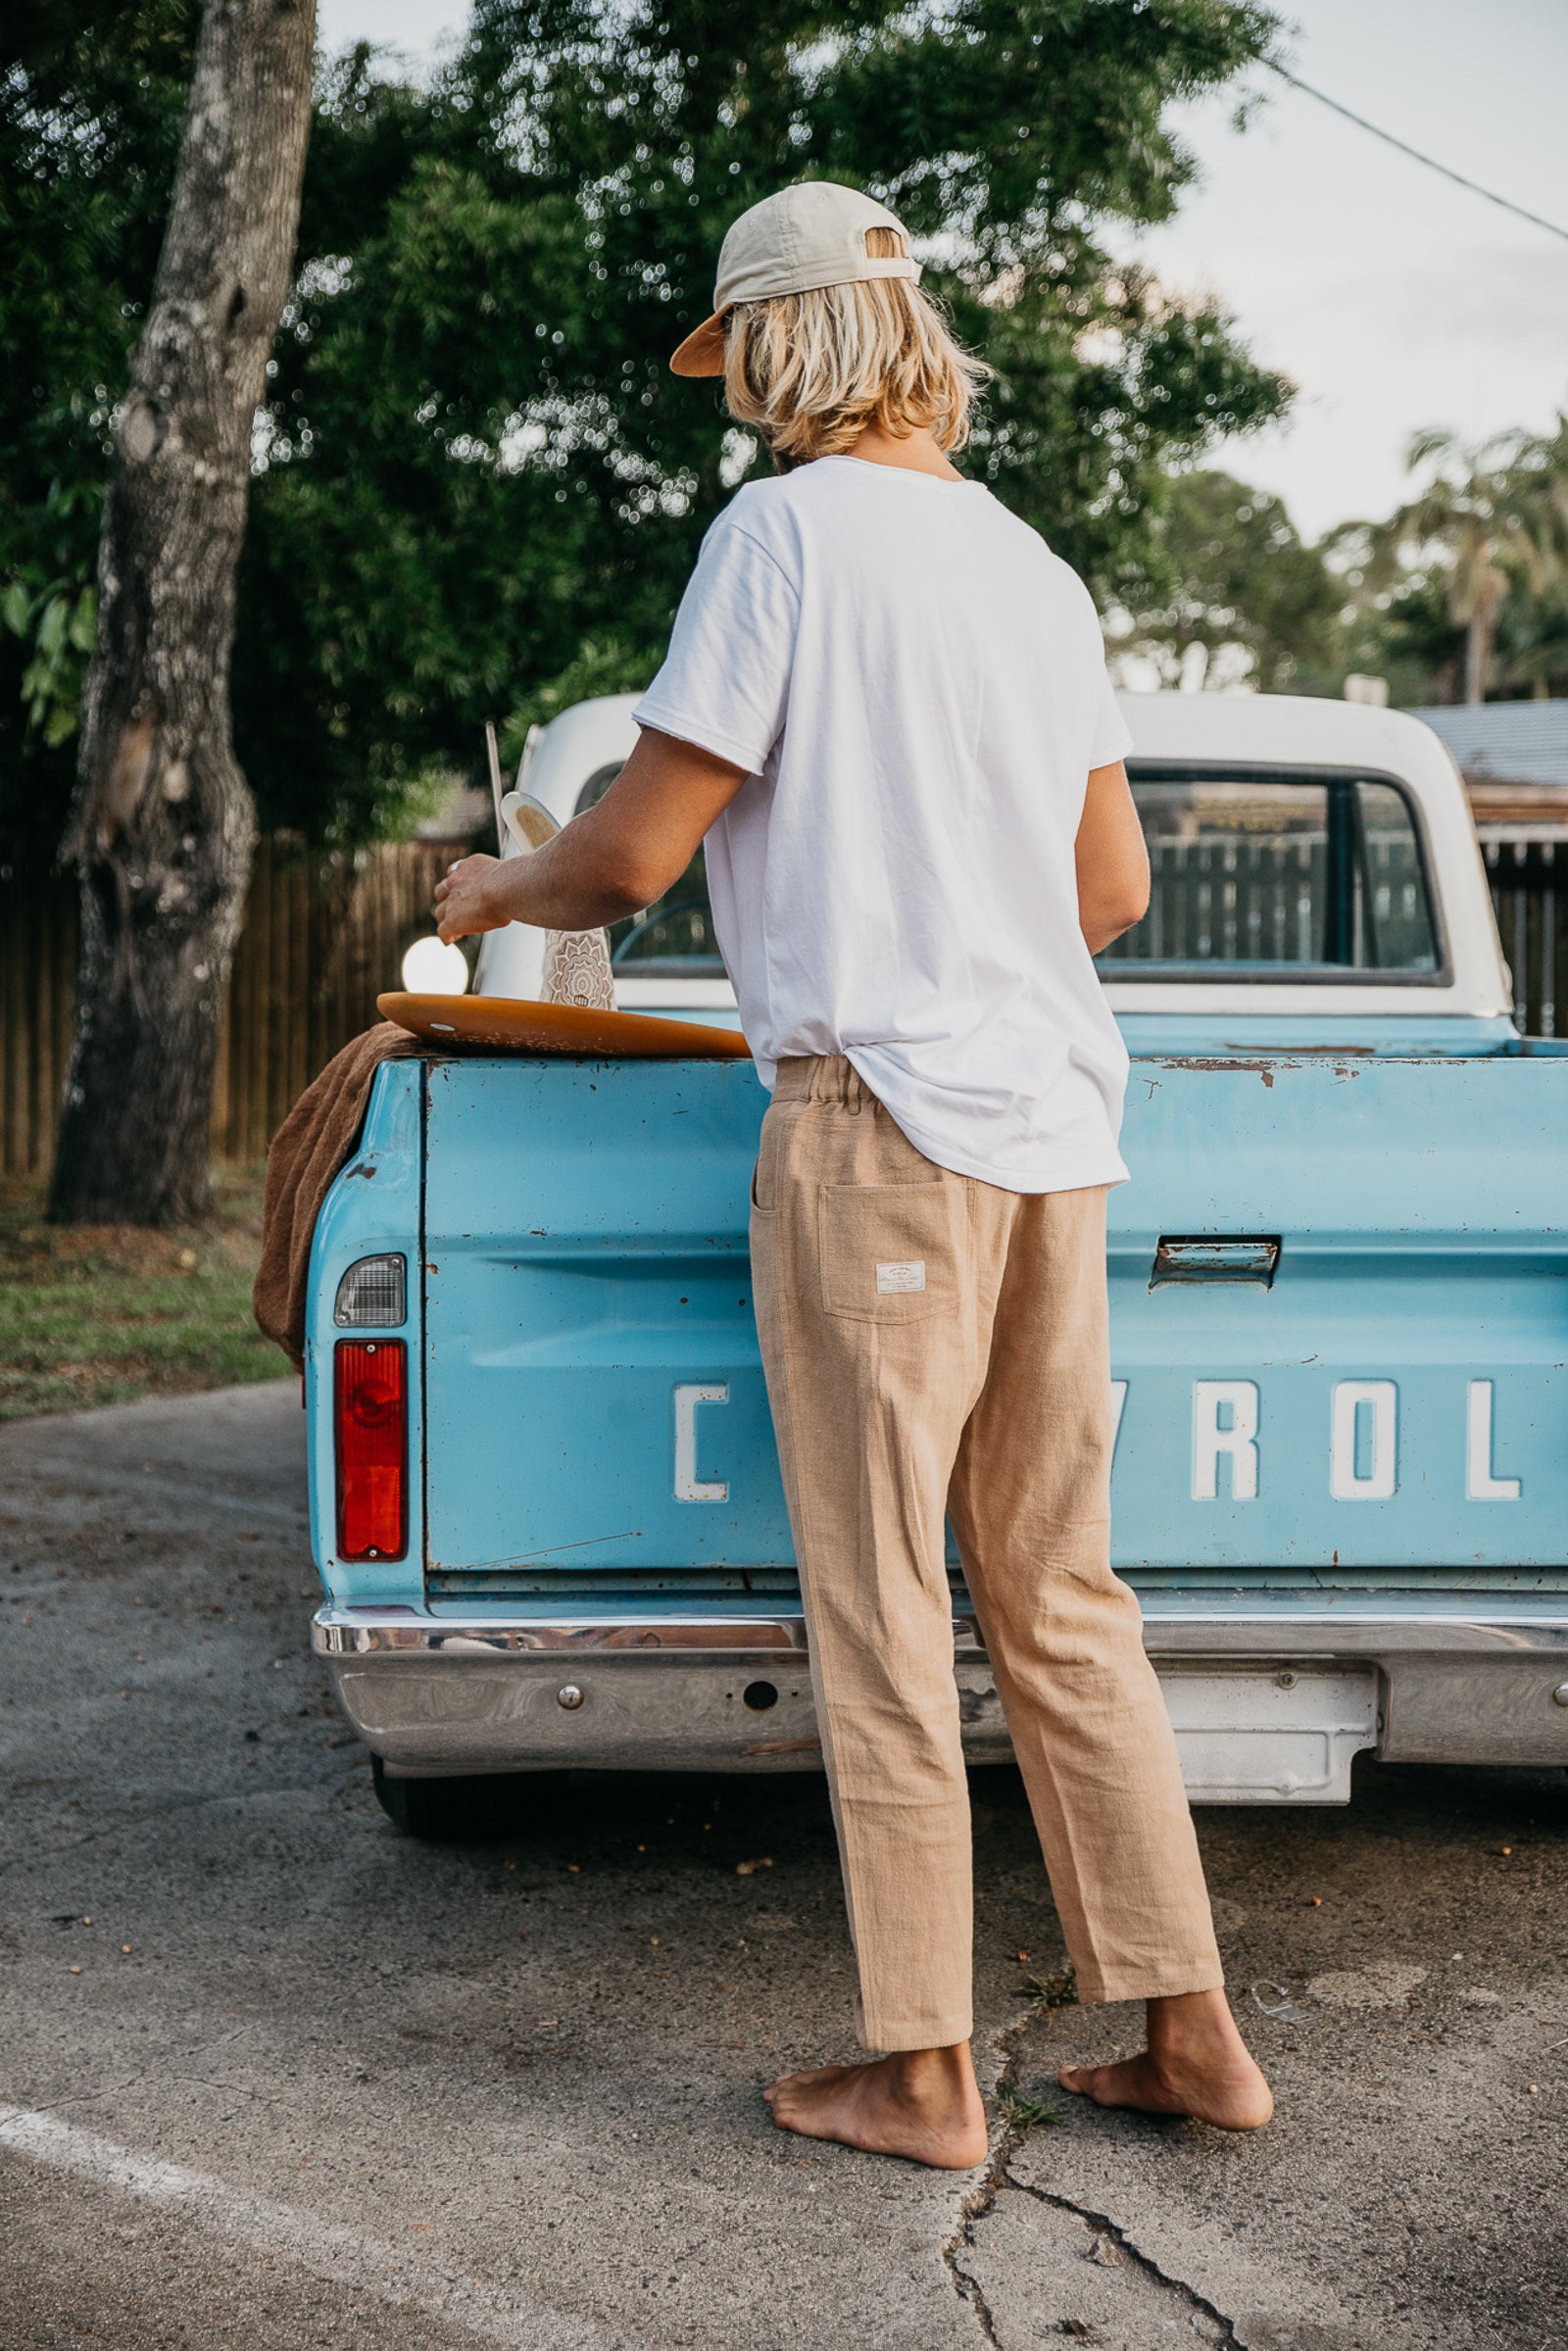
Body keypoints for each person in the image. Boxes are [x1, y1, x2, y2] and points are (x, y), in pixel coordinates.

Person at [435, 180, 1272, 2169]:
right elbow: (1109, 890)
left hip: (874, 1129)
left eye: (737, 366)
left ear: (783, 347)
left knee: (884, 1602)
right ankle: (1193, 2036)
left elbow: (631, 856)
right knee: (1059, 1592)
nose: (732, 410)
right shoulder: (1029, 568)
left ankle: (920, 2067)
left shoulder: (779, 538)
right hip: (1054, 1131)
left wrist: (497, 881)